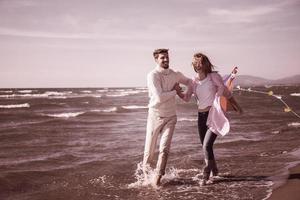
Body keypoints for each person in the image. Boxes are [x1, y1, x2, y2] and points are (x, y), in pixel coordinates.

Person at [177, 52, 243, 186]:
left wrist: (237, 106)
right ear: (194, 65)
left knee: (206, 145)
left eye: (202, 62)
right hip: (201, 117)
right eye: (197, 63)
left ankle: (206, 174)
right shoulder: (193, 81)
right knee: (206, 146)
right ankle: (215, 171)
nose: (199, 65)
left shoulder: (213, 77)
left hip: (213, 115)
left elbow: (227, 93)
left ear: (206, 64)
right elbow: (187, 98)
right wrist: (178, 91)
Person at [143, 48, 191, 187]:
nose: (165, 60)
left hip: (171, 117)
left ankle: (157, 180)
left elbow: (190, 82)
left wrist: (209, 80)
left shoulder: (175, 74)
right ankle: (146, 180)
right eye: (162, 58)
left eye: (166, 57)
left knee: (164, 149)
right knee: (149, 152)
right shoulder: (153, 75)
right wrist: (175, 91)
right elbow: (158, 98)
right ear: (156, 59)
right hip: (155, 116)